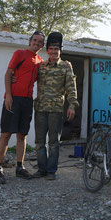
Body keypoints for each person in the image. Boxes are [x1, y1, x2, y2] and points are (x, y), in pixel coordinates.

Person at [0, 30, 45, 184]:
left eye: (40, 42)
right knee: (6, 133)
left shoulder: (41, 61)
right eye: (34, 40)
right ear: (30, 41)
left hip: (27, 101)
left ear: (42, 45)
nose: (36, 43)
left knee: (22, 135)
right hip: (13, 98)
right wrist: (8, 95)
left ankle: (19, 167)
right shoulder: (19, 53)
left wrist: (66, 63)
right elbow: (8, 74)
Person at [33, 32, 79, 180]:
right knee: (40, 142)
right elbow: (28, 76)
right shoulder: (41, 66)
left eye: (56, 50)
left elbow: (71, 88)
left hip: (56, 110)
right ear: (47, 50)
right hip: (40, 109)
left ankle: (51, 171)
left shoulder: (66, 67)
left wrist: (72, 105)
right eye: (51, 49)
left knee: (54, 143)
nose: (53, 52)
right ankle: (41, 169)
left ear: (60, 51)